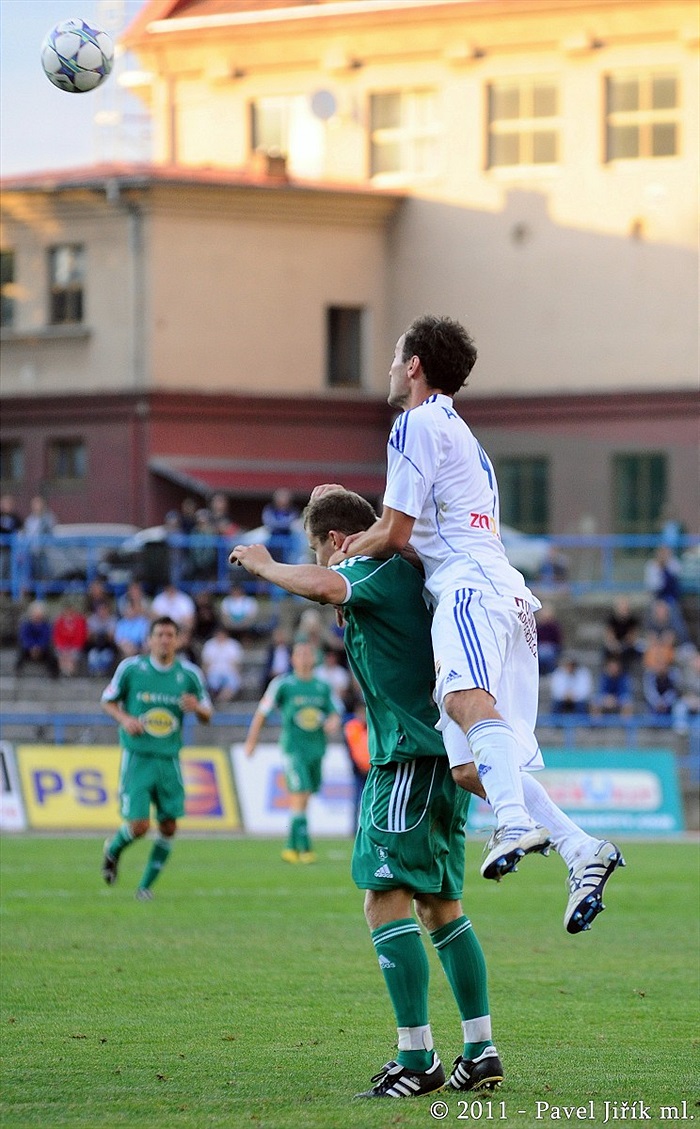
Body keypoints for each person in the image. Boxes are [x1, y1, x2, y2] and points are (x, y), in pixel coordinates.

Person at [232, 488, 625, 1095]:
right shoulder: (409, 571)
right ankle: (480, 1048)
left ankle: (417, 1061)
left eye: (321, 548)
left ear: (339, 542)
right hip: (443, 759)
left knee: (382, 899)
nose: (325, 561)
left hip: (409, 761)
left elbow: (324, 585)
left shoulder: (375, 568)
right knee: (440, 909)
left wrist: (262, 562)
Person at [316, 315, 557, 881]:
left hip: (468, 590)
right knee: (471, 764)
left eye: (397, 356)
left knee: (463, 703)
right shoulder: (466, 438)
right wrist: (362, 527)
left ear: (415, 366)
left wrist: (344, 548)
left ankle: (516, 824)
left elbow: (397, 534)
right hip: (501, 592)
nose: (391, 368)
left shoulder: (415, 423)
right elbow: (417, 540)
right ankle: (580, 850)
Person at [101, 616, 212, 900]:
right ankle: (113, 849)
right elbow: (108, 701)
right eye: (160, 634)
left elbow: (208, 715)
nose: (165, 640)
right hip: (138, 757)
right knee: (139, 826)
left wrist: (196, 708)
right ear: (149, 640)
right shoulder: (131, 669)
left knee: (169, 825)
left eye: (170, 635)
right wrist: (125, 719)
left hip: (169, 759)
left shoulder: (189, 675)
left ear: (177, 640)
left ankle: (145, 887)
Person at [243, 641, 340, 865]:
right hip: (293, 749)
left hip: (316, 749)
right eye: (300, 654)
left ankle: (290, 847)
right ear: (292, 659)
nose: (305, 658)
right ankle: (305, 849)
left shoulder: (322, 686)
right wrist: (251, 741)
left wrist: (333, 722)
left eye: (308, 653)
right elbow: (262, 713)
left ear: (314, 658)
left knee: (305, 798)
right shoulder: (283, 685)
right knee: (300, 793)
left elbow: (335, 713)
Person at [200, 625, 244, 704]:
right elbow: (206, 664)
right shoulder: (209, 645)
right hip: (213, 672)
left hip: (229, 672)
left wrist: (237, 675)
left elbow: (236, 664)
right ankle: (218, 699)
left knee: (233, 682)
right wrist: (205, 675)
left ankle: (220, 700)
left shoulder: (233, 645)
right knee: (212, 682)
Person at [15, 600, 59, 677]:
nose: (37, 616)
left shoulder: (47, 625)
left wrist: (39, 647)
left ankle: (53, 675)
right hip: (29, 649)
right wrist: (32, 647)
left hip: (42, 649)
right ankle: (18, 672)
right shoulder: (26, 624)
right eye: (35, 614)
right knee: (21, 650)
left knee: (52, 654)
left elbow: (46, 637)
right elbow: (24, 637)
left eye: (39, 614)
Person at [22, 495, 57, 585]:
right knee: (33, 573)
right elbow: (26, 533)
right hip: (32, 550)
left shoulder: (48, 517)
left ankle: (44, 592)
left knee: (44, 572)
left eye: (38, 504)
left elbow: (51, 531)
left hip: (43, 550)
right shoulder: (29, 519)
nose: (36, 506)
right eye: (34, 504)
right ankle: (35, 592)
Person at [150, 582, 196, 649]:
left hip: (180, 631)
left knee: (183, 637)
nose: (170, 589)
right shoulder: (159, 599)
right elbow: (153, 619)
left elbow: (190, 623)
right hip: (162, 630)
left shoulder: (185, 600)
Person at [602, 596, 642, 671]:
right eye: (621, 607)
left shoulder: (633, 620)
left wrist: (623, 645)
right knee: (606, 652)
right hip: (614, 646)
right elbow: (609, 636)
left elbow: (632, 637)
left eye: (625, 607)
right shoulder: (611, 620)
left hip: (627, 646)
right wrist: (615, 645)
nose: (623, 609)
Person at [262, 487, 299, 563]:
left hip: (288, 539)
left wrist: (281, 524)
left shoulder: (292, 511)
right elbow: (269, 523)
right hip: (273, 538)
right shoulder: (269, 509)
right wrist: (283, 524)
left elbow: (293, 522)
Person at [52, 601, 89, 677]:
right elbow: (57, 637)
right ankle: (64, 674)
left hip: (75, 647)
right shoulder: (59, 621)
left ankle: (71, 675)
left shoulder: (79, 621)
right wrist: (63, 648)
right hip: (62, 647)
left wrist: (71, 648)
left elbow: (80, 636)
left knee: (72, 656)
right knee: (61, 656)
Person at [85, 599, 118, 677]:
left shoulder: (112, 620)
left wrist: (99, 635)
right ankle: (95, 674)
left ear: (108, 610)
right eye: (100, 609)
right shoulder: (92, 619)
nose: (102, 611)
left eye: (104, 609)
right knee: (92, 656)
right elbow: (90, 636)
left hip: (108, 647)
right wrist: (101, 635)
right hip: (95, 646)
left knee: (106, 656)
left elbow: (111, 637)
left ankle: (103, 674)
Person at [535, 603, 564, 676]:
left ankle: (551, 673)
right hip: (540, 647)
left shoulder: (554, 627)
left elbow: (558, 640)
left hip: (551, 648)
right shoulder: (538, 627)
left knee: (547, 653)